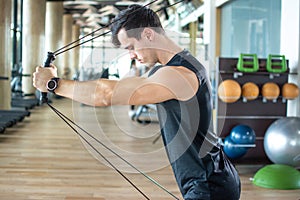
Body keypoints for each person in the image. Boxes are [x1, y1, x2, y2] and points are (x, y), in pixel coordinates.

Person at [33, 4, 241, 200]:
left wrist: (54, 85)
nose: (131, 55)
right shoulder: (171, 68)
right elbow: (119, 86)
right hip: (212, 176)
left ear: (148, 34)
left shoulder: (179, 74)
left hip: (209, 185)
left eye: (131, 47)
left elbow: (107, 94)